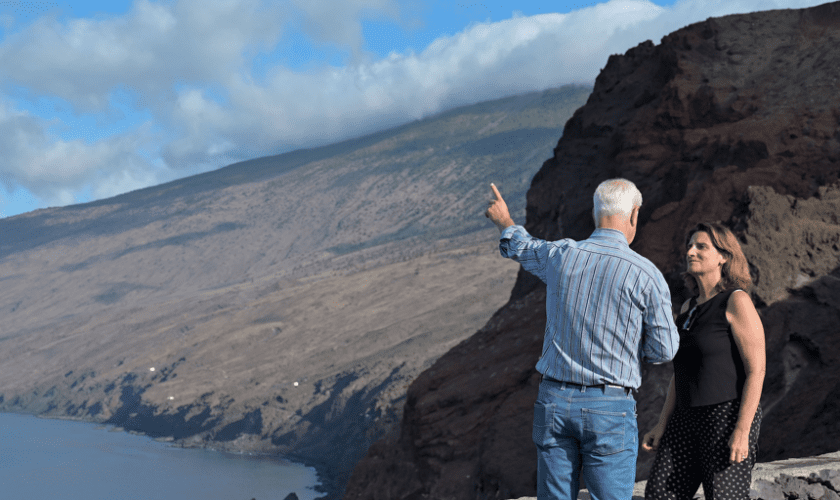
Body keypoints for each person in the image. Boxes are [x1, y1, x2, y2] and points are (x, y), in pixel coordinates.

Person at [484, 178, 679, 500]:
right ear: (634, 214)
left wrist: (504, 220)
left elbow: (522, 246)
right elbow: (664, 350)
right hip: (609, 406)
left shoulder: (562, 256)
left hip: (555, 401)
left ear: (595, 212)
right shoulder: (646, 275)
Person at [642, 222, 765, 500]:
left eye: (701, 246)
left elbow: (757, 371)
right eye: (690, 245)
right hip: (684, 419)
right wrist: (662, 424)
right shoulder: (687, 308)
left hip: (725, 416)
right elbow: (681, 372)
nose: (691, 251)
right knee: (659, 495)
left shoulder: (736, 301)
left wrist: (742, 430)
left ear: (723, 256)